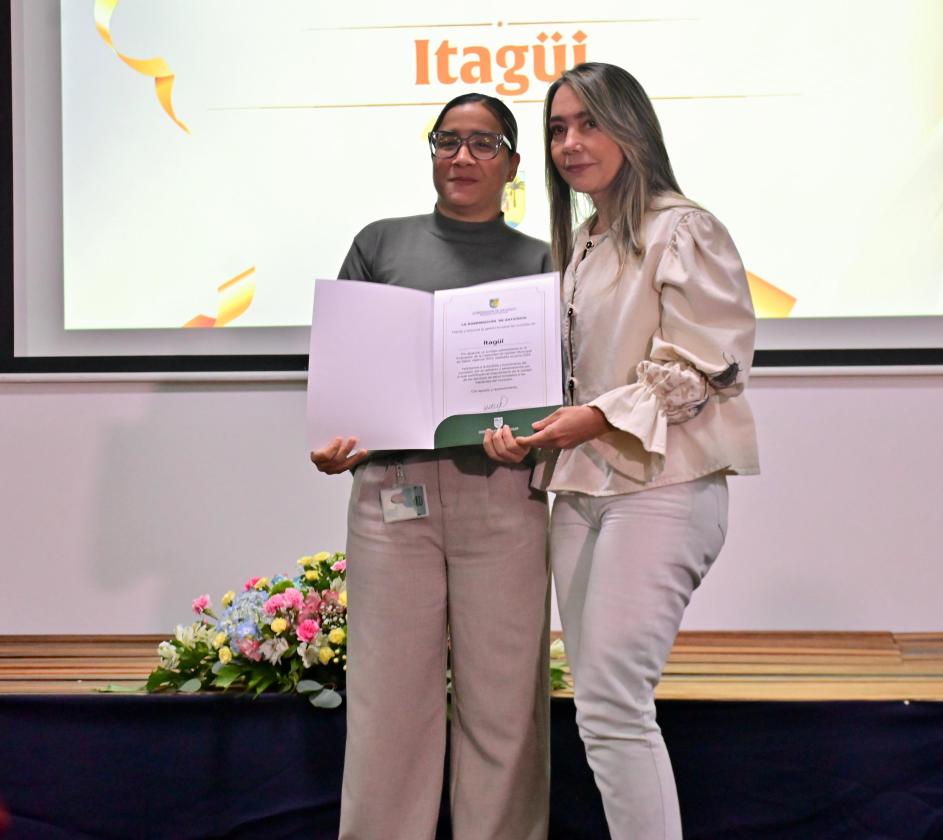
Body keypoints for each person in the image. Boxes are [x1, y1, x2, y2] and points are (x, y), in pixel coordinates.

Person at [483, 63, 760, 839]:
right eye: (557, 129)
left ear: (632, 128)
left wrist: (591, 418)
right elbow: (561, 380)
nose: (571, 143)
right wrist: (526, 433)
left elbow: (706, 366)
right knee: (601, 713)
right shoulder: (580, 247)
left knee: (611, 703)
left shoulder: (682, 228)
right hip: (579, 493)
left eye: (589, 123)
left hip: (664, 486)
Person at [312, 93, 553, 840]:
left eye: (484, 144)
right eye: (447, 140)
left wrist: (534, 436)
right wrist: (332, 437)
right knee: (388, 702)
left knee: (505, 702)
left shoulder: (543, 259)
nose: (462, 156)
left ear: (512, 163)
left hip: (504, 494)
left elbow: (562, 387)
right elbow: (344, 367)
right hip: (393, 495)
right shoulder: (380, 242)